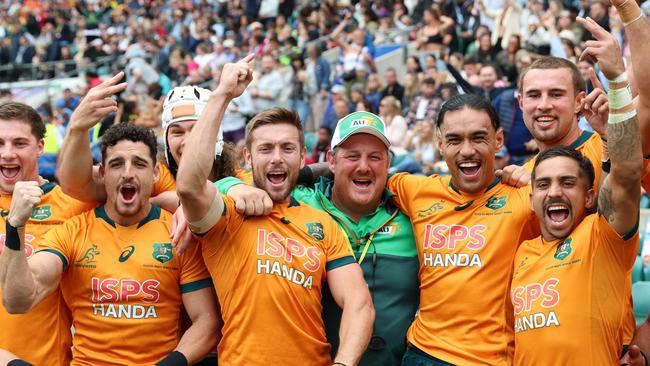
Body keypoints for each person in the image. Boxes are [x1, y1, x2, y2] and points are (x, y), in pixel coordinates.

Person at [175, 56, 374, 365]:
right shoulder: (226, 214)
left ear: (303, 156)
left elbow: (358, 302)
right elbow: (188, 185)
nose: (277, 158)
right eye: (266, 149)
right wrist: (222, 95)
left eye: (288, 148)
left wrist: (343, 363)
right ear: (248, 157)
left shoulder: (323, 224)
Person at [0, 122, 219, 365]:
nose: (127, 173)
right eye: (116, 164)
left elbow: (206, 321)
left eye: (139, 163)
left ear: (155, 173)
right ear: (102, 174)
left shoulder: (177, 233)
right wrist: (15, 226)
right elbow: (18, 300)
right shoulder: (73, 231)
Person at [215, 111, 419, 366]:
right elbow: (217, 187)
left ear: (388, 164)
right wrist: (232, 186)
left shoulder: (413, 219)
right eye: (352, 156)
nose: (364, 166)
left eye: (375, 157)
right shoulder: (303, 203)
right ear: (332, 161)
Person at [510, 32, 641, 362]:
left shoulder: (608, 143)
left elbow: (626, 177)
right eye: (534, 94)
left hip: (610, 348)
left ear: (580, 100)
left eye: (556, 94)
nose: (544, 104)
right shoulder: (517, 182)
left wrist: (618, 81)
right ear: (520, 102)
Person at [390, 94, 538, 365]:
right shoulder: (415, 190)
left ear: (499, 140)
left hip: (490, 360)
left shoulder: (526, 197)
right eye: (455, 140)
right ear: (440, 144)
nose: (467, 150)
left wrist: (535, 179)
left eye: (478, 138)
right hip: (421, 354)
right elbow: (360, 174)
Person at [0, 101, 98, 365]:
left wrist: (176, 204)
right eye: (0, 143)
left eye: (19, 143)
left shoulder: (71, 203)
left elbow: (134, 182)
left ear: (40, 147)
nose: (7, 154)